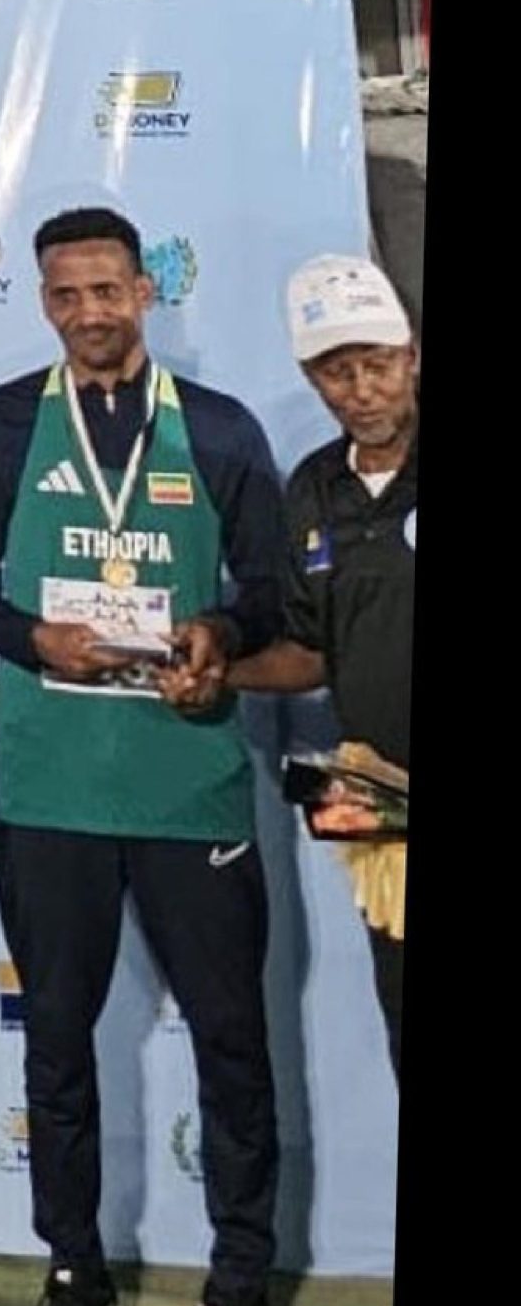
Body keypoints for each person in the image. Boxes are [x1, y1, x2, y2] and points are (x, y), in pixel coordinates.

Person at [0, 206, 300, 1306]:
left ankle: (237, 1284)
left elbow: (267, 598)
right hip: (51, 791)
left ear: (145, 291)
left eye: (108, 289)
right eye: (66, 294)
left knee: (234, 1045)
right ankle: (75, 1274)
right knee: (56, 1046)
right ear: (44, 302)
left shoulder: (223, 430)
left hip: (187, 781)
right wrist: (31, 632)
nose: (89, 312)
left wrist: (219, 634)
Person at [182, 255, 414, 1077]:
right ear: (312, 377)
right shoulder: (313, 488)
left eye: (377, 364)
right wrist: (223, 672)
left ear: (411, 355)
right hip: (381, 803)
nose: (361, 388)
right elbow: (310, 655)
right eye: (336, 370)